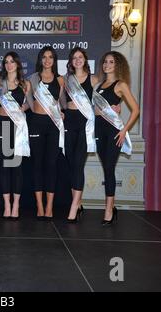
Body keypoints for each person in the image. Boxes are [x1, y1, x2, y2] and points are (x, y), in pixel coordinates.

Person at [94, 51, 139, 225]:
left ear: (117, 64)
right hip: (99, 131)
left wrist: (124, 130)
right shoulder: (98, 85)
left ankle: (108, 209)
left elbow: (136, 109)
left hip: (114, 132)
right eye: (105, 62)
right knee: (106, 168)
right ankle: (111, 207)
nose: (107, 65)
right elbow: (94, 109)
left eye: (111, 62)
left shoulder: (121, 85)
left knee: (110, 169)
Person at [0, 52, 31, 220]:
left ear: (17, 64)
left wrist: (23, 108)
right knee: (5, 168)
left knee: (17, 169)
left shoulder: (25, 84)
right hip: (3, 126)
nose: (9, 65)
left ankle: (16, 205)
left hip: (18, 127)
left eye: (12, 62)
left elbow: (30, 103)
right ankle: (7, 204)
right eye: (6, 62)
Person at [27, 46, 65, 220]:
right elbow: (27, 103)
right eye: (44, 57)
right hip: (36, 124)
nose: (47, 60)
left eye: (50, 57)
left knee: (51, 165)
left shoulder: (61, 80)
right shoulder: (32, 79)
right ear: (40, 59)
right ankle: (39, 206)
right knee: (37, 165)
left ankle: (49, 206)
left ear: (54, 60)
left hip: (53, 125)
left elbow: (63, 104)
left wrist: (63, 111)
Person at [62, 47, 99, 223]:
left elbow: (103, 100)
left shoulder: (93, 79)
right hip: (69, 122)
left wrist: (117, 106)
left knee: (78, 164)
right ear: (71, 61)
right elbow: (60, 101)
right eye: (74, 58)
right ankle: (79, 203)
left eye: (80, 57)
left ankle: (73, 207)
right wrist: (60, 112)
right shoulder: (67, 80)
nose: (77, 60)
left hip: (84, 125)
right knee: (70, 165)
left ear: (85, 60)